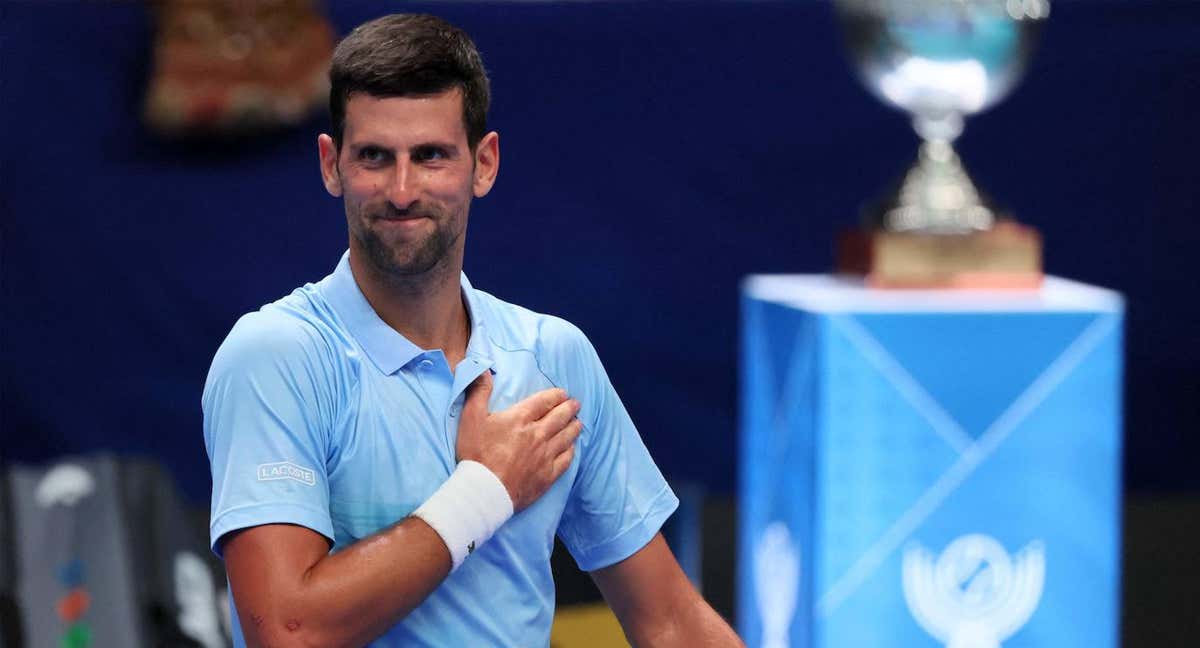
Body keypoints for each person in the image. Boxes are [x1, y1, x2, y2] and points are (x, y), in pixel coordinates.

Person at [202, 13, 743, 648]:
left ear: (483, 165)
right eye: (375, 157)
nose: (402, 190)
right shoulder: (274, 357)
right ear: (332, 165)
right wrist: (484, 491)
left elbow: (671, 623)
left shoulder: (552, 357)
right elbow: (288, 633)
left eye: (431, 156)